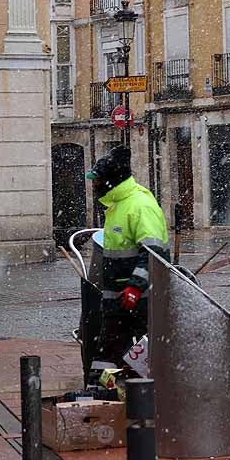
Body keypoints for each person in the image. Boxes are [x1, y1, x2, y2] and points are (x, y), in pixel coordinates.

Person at [85, 146, 170, 381]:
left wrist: (135, 286)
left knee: (145, 354)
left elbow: (153, 253)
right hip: (118, 299)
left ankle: (140, 395)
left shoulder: (140, 206)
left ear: (112, 180)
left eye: (98, 180)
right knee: (108, 353)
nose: (95, 185)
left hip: (140, 300)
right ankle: (102, 393)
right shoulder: (117, 206)